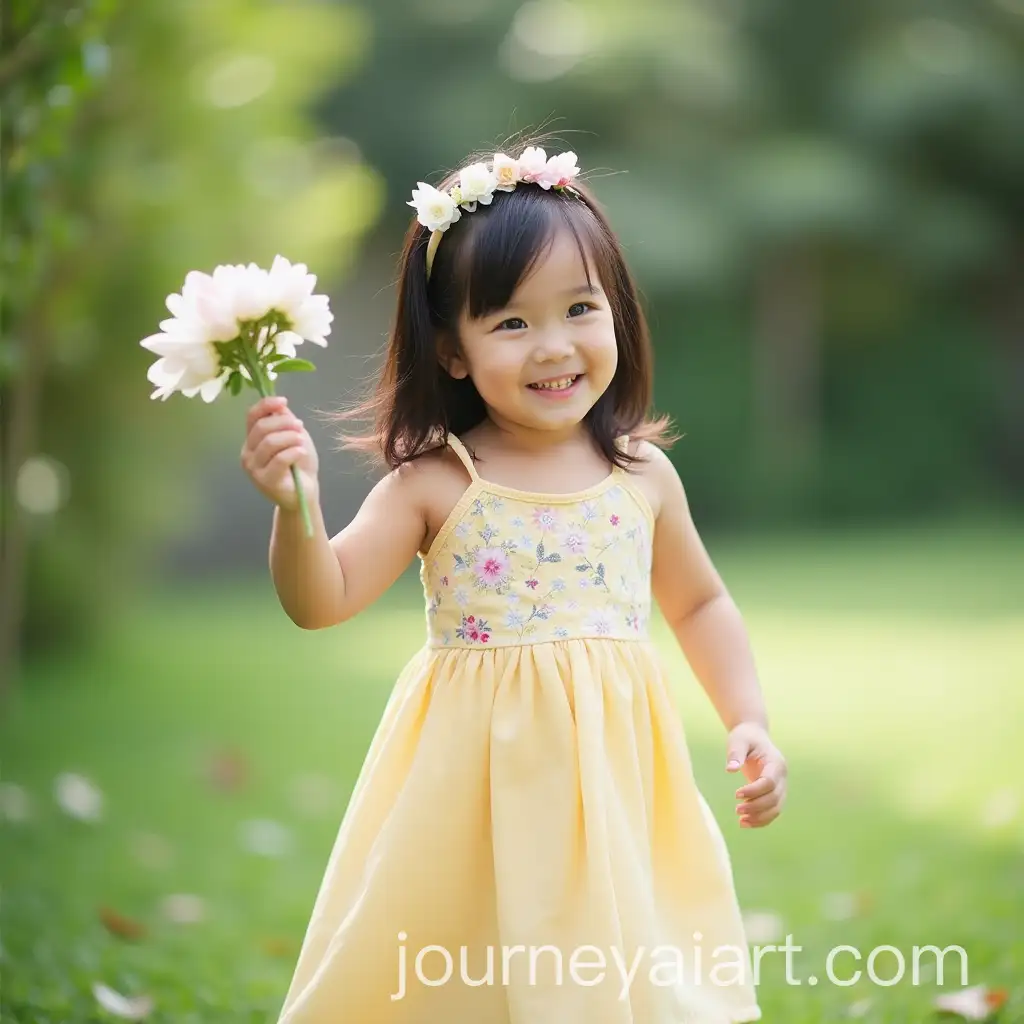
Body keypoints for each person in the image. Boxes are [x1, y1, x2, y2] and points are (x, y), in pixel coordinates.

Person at [240, 141, 786, 1023]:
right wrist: (293, 509)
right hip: (472, 793)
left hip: (614, 787)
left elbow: (699, 601)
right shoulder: (435, 482)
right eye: (511, 323)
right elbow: (321, 599)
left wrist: (748, 718)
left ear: (618, 314)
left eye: (580, 307)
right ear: (451, 352)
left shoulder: (641, 475)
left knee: (620, 968)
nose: (556, 345)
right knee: (471, 967)